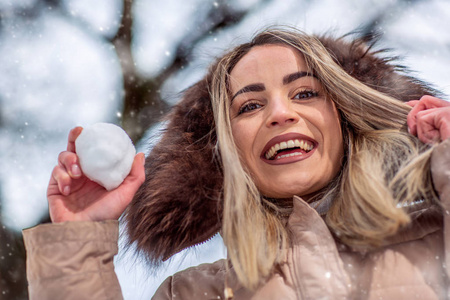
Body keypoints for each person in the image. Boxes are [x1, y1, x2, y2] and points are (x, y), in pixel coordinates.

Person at [23, 28, 450, 299]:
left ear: (346, 118)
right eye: (249, 106)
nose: (280, 114)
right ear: (226, 152)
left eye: (304, 93)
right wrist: (79, 239)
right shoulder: (192, 294)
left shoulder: (438, 237)